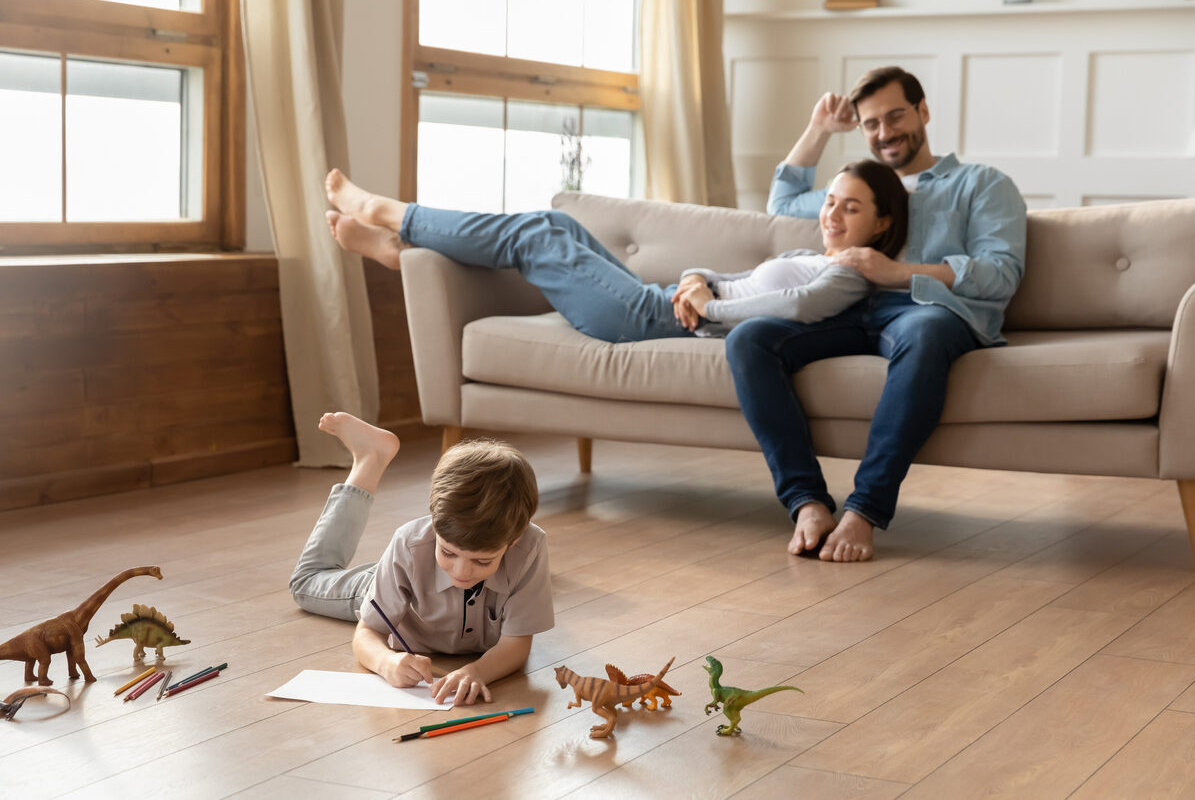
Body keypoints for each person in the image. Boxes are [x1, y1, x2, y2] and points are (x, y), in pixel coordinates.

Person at [727, 65, 1027, 563]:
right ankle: (805, 501)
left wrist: (899, 272)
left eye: (895, 117)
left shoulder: (981, 184)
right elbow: (781, 202)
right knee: (749, 338)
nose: (884, 133)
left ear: (923, 111)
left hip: (925, 309)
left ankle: (864, 509)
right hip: (847, 310)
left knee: (926, 332)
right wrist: (820, 129)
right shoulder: (861, 190)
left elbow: (1001, 272)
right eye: (871, 124)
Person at [321, 159, 909, 343]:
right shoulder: (820, 255)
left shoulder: (855, 276)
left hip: (651, 318)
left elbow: (788, 311)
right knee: (555, 219)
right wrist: (698, 278)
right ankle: (399, 250)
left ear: (881, 223)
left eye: (849, 208)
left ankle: (391, 217)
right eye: (829, 201)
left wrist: (705, 307)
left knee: (537, 236)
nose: (830, 215)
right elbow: (742, 276)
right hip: (664, 298)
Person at [288, 412, 553, 705]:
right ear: (434, 522)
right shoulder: (409, 545)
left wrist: (476, 671)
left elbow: (517, 644)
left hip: (423, 577)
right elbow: (367, 633)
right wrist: (386, 662)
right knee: (306, 582)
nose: (461, 572)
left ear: (513, 541)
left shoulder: (530, 548)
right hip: (391, 583)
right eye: (448, 552)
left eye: (482, 561)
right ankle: (369, 459)